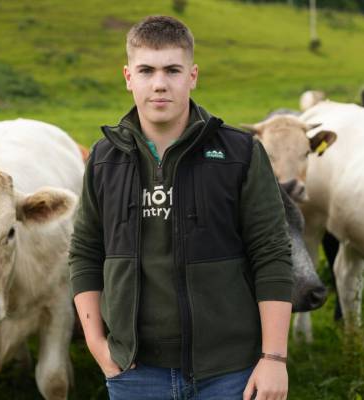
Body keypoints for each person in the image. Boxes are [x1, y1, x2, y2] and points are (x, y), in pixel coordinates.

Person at [69, 15, 292, 400]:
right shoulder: (103, 160)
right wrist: (96, 344)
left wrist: (274, 357)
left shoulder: (241, 154)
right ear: (128, 77)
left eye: (172, 69)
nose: (159, 84)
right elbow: (85, 253)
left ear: (192, 75)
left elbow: (271, 254)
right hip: (135, 373)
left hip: (229, 373)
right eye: (146, 70)